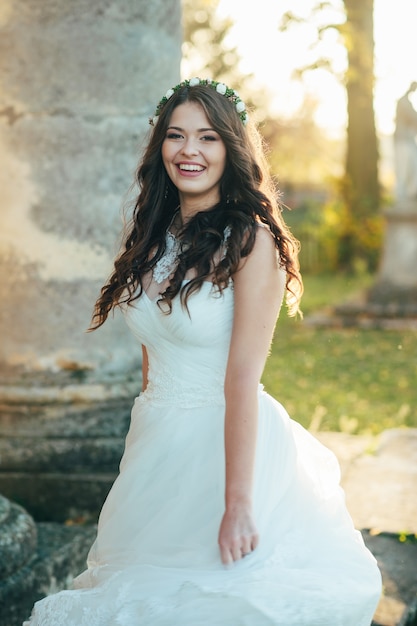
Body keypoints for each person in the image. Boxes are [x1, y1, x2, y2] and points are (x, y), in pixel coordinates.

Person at [24, 77, 381, 625]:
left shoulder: (251, 242)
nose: (189, 151)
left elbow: (241, 379)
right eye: (176, 136)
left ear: (231, 149)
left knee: (210, 601)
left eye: (208, 137)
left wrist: (238, 505)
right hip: (156, 445)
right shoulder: (150, 237)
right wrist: (141, 454)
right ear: (159, 147)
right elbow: (152, 357)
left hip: (225, 448)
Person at [394, 81, 417, 202]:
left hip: (409, 141)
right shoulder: (403, 102)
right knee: (402, 171)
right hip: (402, 141)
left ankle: (410, 195)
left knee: (413, 168)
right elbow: (412, 116)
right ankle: (401, 198)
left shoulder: (407, 103)